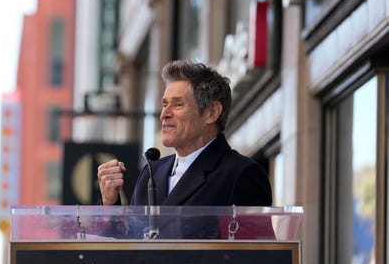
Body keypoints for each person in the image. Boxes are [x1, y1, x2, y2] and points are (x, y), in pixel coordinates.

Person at [97, 60, 272, 207]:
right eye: (165, 104)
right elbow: (131, 240)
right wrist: (109, 203)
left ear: (211, 113)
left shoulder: (241, 174)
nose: (164, 114)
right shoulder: (151, 173)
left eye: (178, 104)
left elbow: (254, 247)